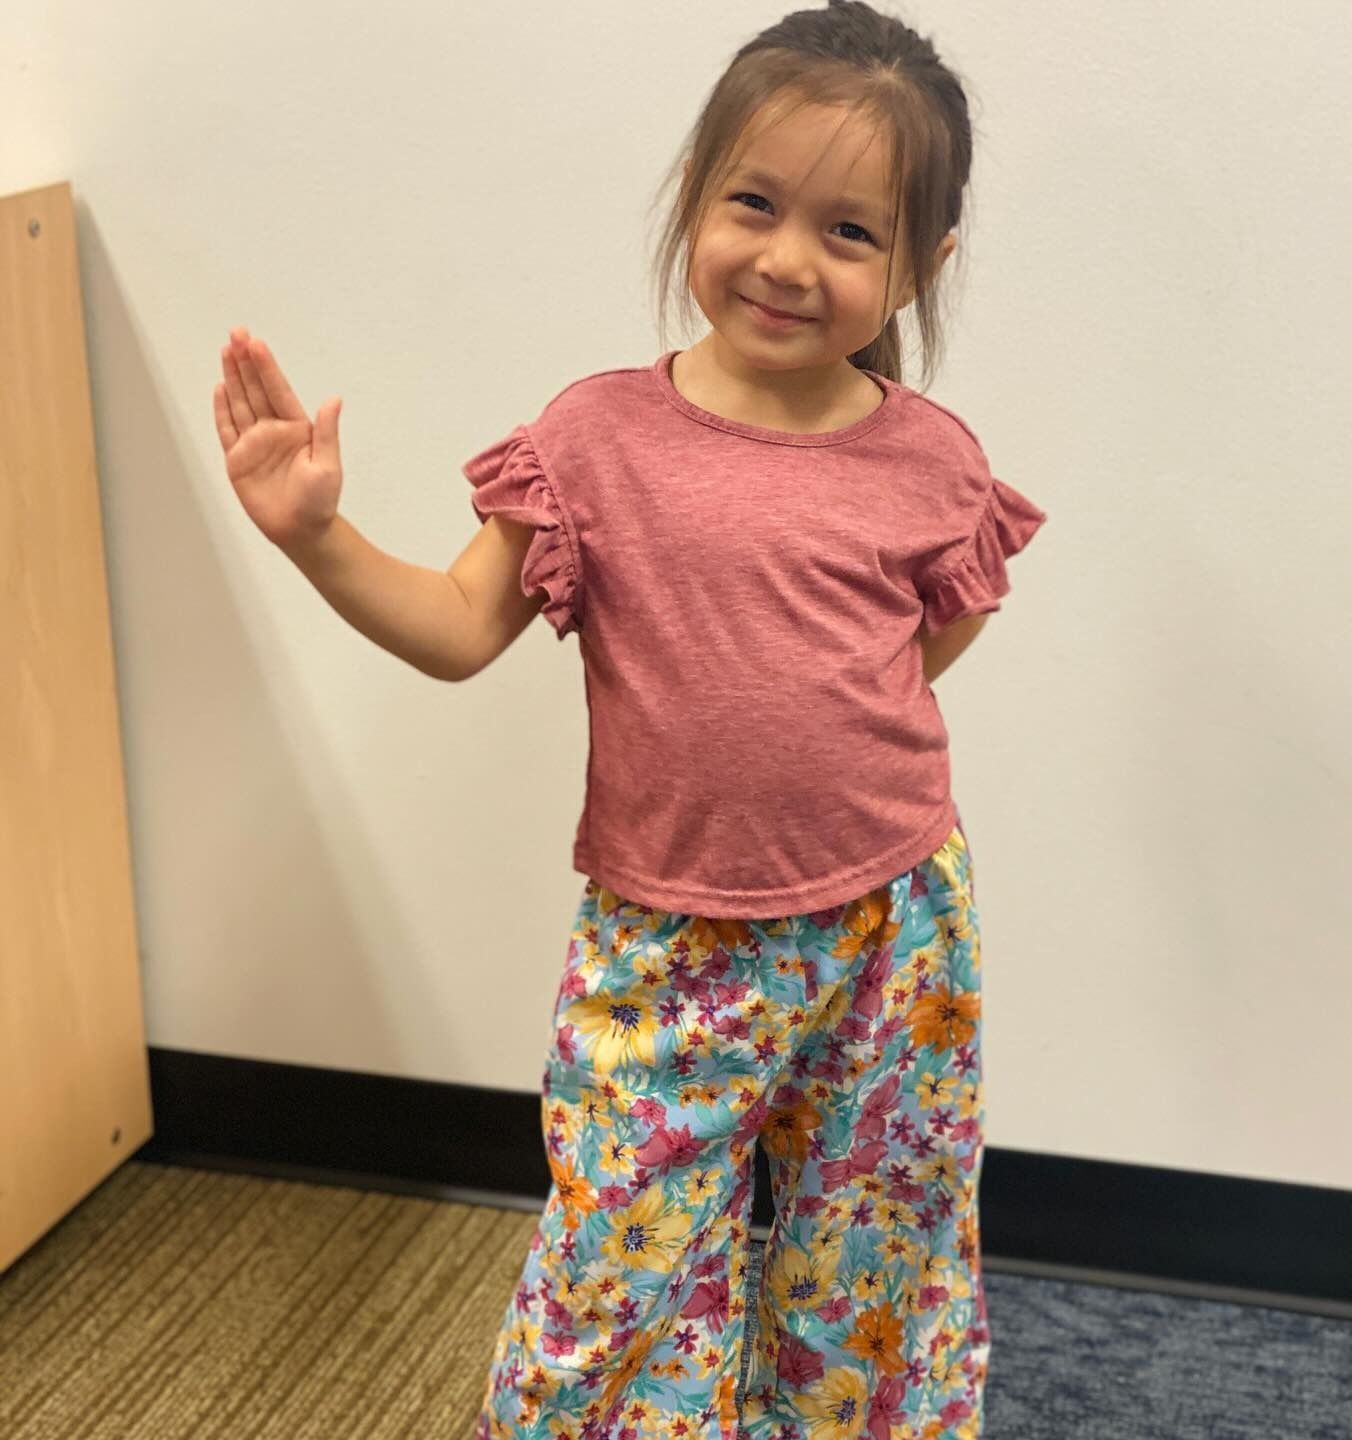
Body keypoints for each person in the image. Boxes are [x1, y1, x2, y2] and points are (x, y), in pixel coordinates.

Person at [212, 3, 1047, 1434]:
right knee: (622, 1267)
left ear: (924, 263)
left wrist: (803, 739)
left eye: (852, 234)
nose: (789, 260)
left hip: (893, 930)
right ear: (695, 192)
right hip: (665, 939)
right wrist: (314, 537)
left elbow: (920, 648)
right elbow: (459, 631)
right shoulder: (594, 440)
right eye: (756, 204)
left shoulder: (931, 461)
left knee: (877, 1266)